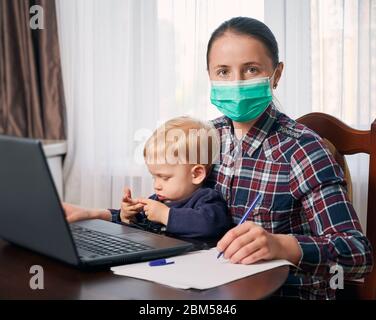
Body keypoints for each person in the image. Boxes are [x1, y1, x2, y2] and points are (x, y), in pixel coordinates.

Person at [64, 17, 373, 299]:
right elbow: (171, 206)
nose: (236, 82)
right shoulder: (203, 137)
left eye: (251, 69)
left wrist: (282, 245)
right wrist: (100, 214)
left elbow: (359, 256)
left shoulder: (304, 150)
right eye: (223, 72)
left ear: (276, 74)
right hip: (211, 291)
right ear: (209, 76)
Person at [67, 116, 231, 239]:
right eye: (154, 177)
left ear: (196, 174)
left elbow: (210, 226)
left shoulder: (207, 199)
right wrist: (128, 215)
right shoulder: (158, 200)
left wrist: (165, 215)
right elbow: (140, 225)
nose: (157, 185)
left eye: (164, 178)